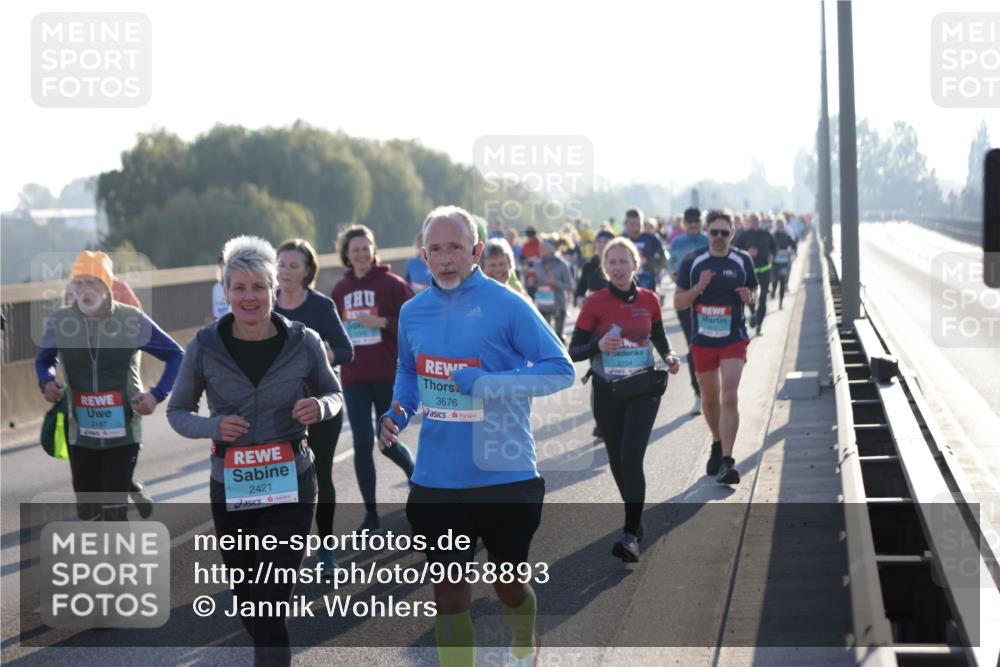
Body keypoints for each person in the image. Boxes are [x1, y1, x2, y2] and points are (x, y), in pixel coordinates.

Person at [379, 205, 574, 667]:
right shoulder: (412, 312)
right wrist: (399, 410)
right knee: (448, 595)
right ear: (424, 254)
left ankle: (524, 645)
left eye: (456, 248)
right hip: (438, 479)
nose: (445, 258)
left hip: (504, 473)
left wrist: (488, 383)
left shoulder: (508, 304)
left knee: (508, 585)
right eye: (436, 249)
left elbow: (560, 369)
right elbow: (409, 370)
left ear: (477, 251)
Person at [167, 236, 343, 666]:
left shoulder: (304, 340)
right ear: (226, 293)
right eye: (240, 288)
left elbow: (333, 393)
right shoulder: (204, 345)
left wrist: (318, 407)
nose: (250, 297)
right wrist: (213, 426)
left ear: (274, 290)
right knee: (250, 602)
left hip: (291, 483)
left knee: (270, 601)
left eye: (259, 287)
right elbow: (177, 411)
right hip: (232, 487)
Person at [36, 251, 184, 521]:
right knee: (88, 514)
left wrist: (156, 395)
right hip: (81, 434)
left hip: (123, 433)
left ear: (107, 286)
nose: (84, 290)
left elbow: (176, 355)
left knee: (113, 513)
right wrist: (46, 381)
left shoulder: (131, 319)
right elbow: (44, 360)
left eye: (92, 282)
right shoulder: (60, 321)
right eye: (79, 283)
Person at [569, 238, 680, 562]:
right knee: (617, 460)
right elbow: (573, 351)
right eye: (612, 262)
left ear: (635, 264)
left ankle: (630, 535)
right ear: (605, 268)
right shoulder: (595, 303)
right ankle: (635, 517)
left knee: (631, 458)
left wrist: (669, 355)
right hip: (607, 391)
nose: (618, 268)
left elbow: (659, 336)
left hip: (643, 388)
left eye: (623, 261)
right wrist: (598, 345)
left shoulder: (649, 299)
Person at [274, 238, 354, 573]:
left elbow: (346, 350)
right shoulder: (265, 305)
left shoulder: (320, 306)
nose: (285, 271)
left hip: (319, 405)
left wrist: (315, 359)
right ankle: (284, 548)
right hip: (279, 410)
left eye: (293, 266)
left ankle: (326, 548)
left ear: (307, 271)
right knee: (281, 480)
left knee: (320, 475)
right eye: (281, 264)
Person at [330, 225, 415, 532]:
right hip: (354, 378)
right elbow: (333, 331)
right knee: (362, 442)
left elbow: (413, 324)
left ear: (374, 250)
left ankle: (415, 476)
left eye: (366, 248)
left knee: (387, 442)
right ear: (347, 255)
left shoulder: (392, 284)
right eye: (355, 250)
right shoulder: (340, 290)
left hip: (387, 375)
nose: (362, 254)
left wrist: (380, 321)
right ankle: (370, 514)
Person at [674, 210, 758, 485]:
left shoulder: (742, 260)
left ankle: (727, 461)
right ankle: (717, 441)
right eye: (714, 232)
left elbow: (754, 289)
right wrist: (698, 287)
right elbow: (679, 302)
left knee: (729, 396)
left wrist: (750, 295)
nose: (719, 237)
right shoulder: (693, 261)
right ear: (707, 232)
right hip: (704, 341)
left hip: (734, 338)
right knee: (710, 399)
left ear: (732, 232)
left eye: (725, 232)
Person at [668, 207, 711, 415]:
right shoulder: (677, 243)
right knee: (694, 346)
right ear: (684, 224)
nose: (694, 224)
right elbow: (670, 265)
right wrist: (675, 276)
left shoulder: (708, 240)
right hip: (685, 300)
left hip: (709, 301)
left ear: (701, 222)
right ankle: (698, 394)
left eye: (697, 221)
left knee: (712, 345)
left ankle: (713, 389)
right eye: (690, 221)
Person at [733, 212, 777, 336]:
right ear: (749, 222)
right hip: (750, 273)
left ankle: (759, 325)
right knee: (751, 298)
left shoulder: (766, 234)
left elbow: (774, 247)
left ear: (760, 221)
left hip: (765, 271)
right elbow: (735, 250)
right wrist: (747, 252)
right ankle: (753, 313)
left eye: (757, 220)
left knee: (762, 299)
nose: (755, 222)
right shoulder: (744, 236)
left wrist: (772, 255)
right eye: (752, 220)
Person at [525, 240, 573, 343]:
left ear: (551, 250)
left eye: (543, 247)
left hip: (558, 305)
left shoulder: (562, 264)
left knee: (558, 338)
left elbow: (570, 286)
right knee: (545, 336)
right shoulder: (537, 264)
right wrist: (532, 283)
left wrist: (556, 282)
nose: (540, 249)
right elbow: (533, 284)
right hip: (543, 304)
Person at [621, 208, 666, 292]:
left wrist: (647, 261)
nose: (636, 228)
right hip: (625, 285)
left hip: (647, 285)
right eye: (632, 224)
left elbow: (663, 260)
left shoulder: (651, 238)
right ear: (626, 224)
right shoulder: (620, 240)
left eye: (639, 224)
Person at [575, 230, 613, 301]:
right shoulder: (589, 266)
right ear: (595, 245)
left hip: (615, 304)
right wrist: (579, 298)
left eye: (606, 241)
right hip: (594, 304)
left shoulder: (619, 265)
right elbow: (581, 287)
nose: (602, 244)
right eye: (599, 241)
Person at [770, 217, 798, 309]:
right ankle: (773, 291)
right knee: (774, 282)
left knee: (782, 282)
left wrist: (792, 252)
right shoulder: (773, 236)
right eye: (779, 224)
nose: (780, 226)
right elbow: (768, 247)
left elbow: (794, 246)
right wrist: (773, 252)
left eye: (782, 224)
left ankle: (781, 303)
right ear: (776, 225)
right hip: (775, 262)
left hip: (784, 262)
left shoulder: (787, 235)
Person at [211, 254, 230, 320]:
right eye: (221, 264)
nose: (223, 267)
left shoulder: (236, 287)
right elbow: (216, 314)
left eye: (225, 264)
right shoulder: (216, 288)